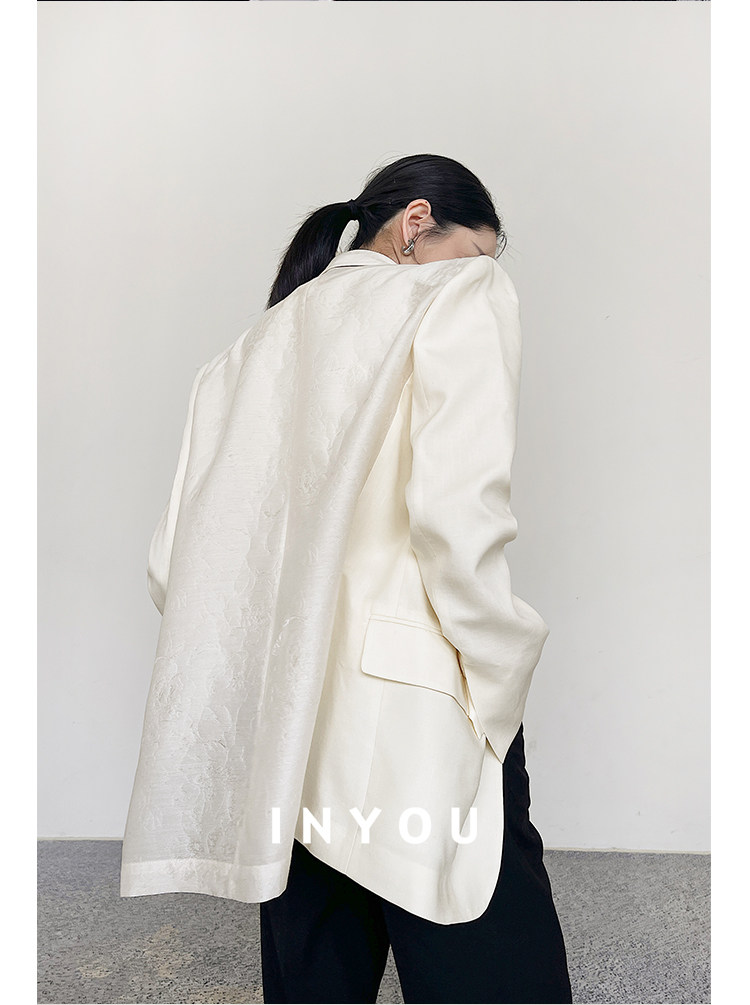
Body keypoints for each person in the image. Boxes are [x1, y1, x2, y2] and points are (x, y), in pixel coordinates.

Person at [120, 153, 572, 1004]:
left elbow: (174, 564)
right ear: (416, 223)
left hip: (285, 734)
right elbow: (456, 519)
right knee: (492, 969)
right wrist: (505, 668)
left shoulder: (248, 350)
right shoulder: (460, 296)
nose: (480, 269)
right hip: (418, 710)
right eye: (476, 249)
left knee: (315, 979)